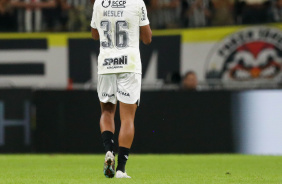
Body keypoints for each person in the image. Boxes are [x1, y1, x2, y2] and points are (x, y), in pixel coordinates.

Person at [90, 0, 152, 179]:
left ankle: (109, 151)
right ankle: (121, 169)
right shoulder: (137, 2)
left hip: (106, 63)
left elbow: (95, 35)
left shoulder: (99, 3)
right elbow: (147, 39)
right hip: (129, 65)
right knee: (127, 118)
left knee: (107, 112)